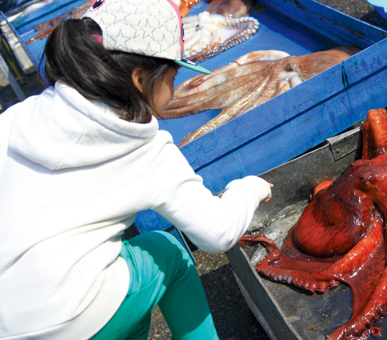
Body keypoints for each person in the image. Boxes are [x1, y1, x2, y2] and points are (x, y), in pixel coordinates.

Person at [0, 0, 272, 339]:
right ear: (140, 78)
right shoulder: (147, 149)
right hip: (70, 320)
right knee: (167, 251)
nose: (174, 89)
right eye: (173, 76)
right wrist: (249, 188)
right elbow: (219, 233)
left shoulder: (17, 118)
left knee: (127, 278)